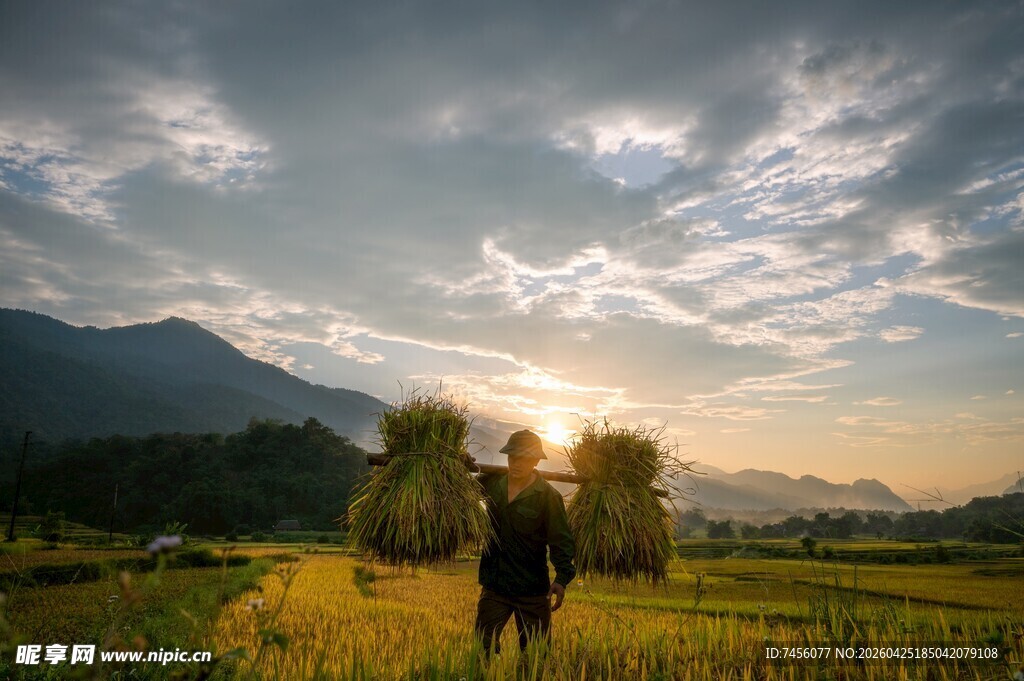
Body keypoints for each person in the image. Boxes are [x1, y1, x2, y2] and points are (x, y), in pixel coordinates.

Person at [474, 429, 576, 657]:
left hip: (532, 590)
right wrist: (460, 464)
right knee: (482, 649)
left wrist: (561, 578)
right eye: (512, 457)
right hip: (495, 585)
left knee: (535, 655)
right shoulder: (492, 483)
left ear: (536, 461)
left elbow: (561, 540)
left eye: (524, 458)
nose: (517, 463)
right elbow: (460, 490)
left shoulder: (548, 497)